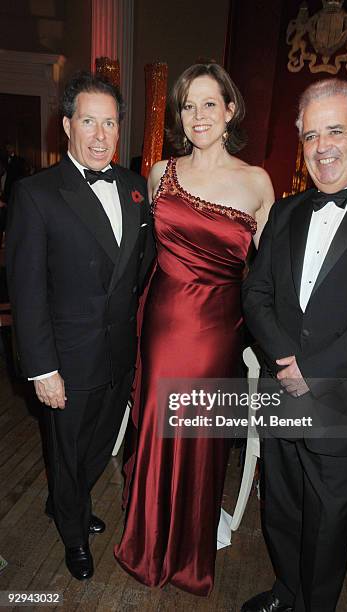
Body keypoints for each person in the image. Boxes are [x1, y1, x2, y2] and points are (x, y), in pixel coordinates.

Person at [241, 78, 347, 612]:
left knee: (331, 523)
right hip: (281, 385)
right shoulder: (288, 211)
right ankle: (287, 591)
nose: (322, 147)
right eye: (311, 136)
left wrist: (310, 368)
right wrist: (282, 361)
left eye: (335, 131)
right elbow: (256, 294)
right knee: (282, 510)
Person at [114, 62, 275, 595]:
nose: (199, 115)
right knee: (159, 422)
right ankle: (147, 543)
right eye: (189, 105)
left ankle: (186, 556)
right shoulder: (160, 173)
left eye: (210, 103)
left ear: (231, 110)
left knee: (201, 435)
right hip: (162, 321)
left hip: (217, 328)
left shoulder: (257, 182)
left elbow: (272, 274)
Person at [6, 71, 155, 581]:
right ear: (66, 125)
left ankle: (68, 500)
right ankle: (71, 532)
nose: (99, 134)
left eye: (109, 123)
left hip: (117, 351)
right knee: (66, 451)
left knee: (95, 447)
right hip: (66, 357)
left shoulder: (136, 189)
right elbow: (26, 292)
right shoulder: (36, 194)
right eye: (88, 121)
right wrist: (42, 367)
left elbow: (140, 271)